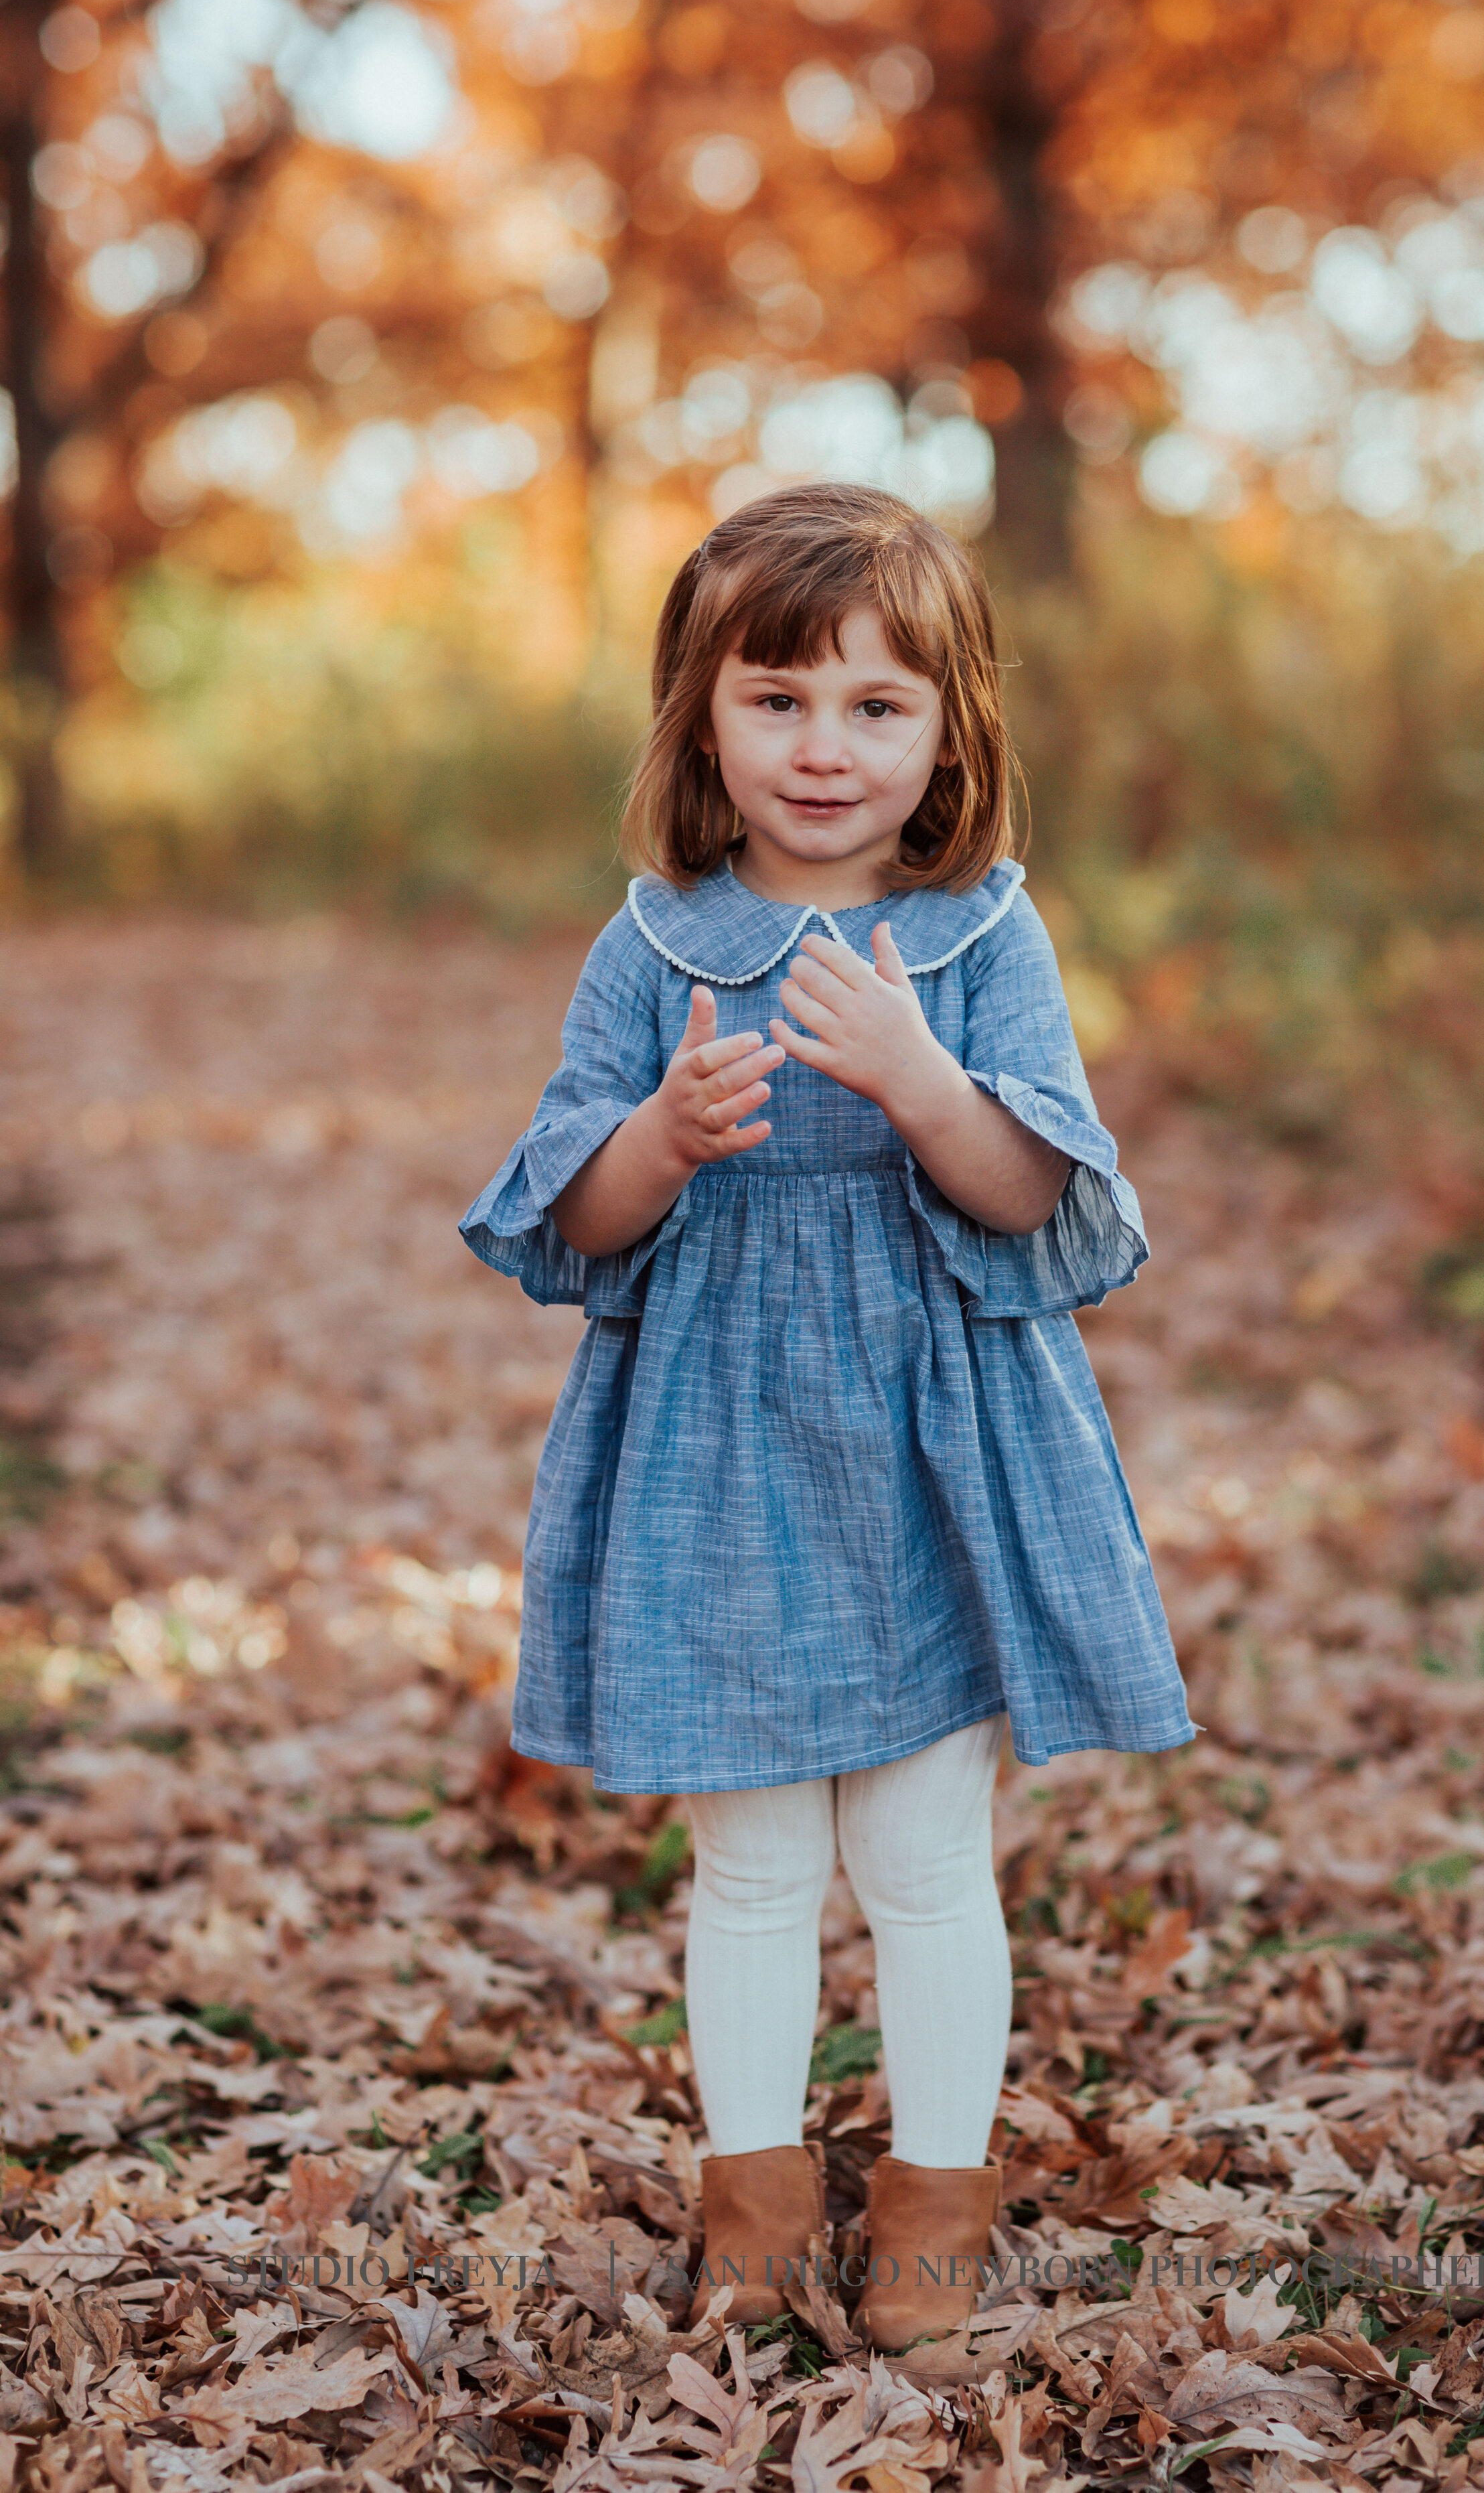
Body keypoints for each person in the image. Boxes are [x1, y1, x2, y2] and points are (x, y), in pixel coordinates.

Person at [459, 482, 1199, 2352]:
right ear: (699, 716)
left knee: (924, 1855)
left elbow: (1038, 1199)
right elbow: (572, 1224)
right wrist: (656, 1139)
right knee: (755, 1857)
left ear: (950, 731)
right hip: (717, 1449)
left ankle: (934, 2203)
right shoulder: (652, 948)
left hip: (935, 1448)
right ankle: (758, 2198)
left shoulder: (977, 940)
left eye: (877, 705)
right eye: (775, 695)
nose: (822, 744)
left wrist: (922, 1085)